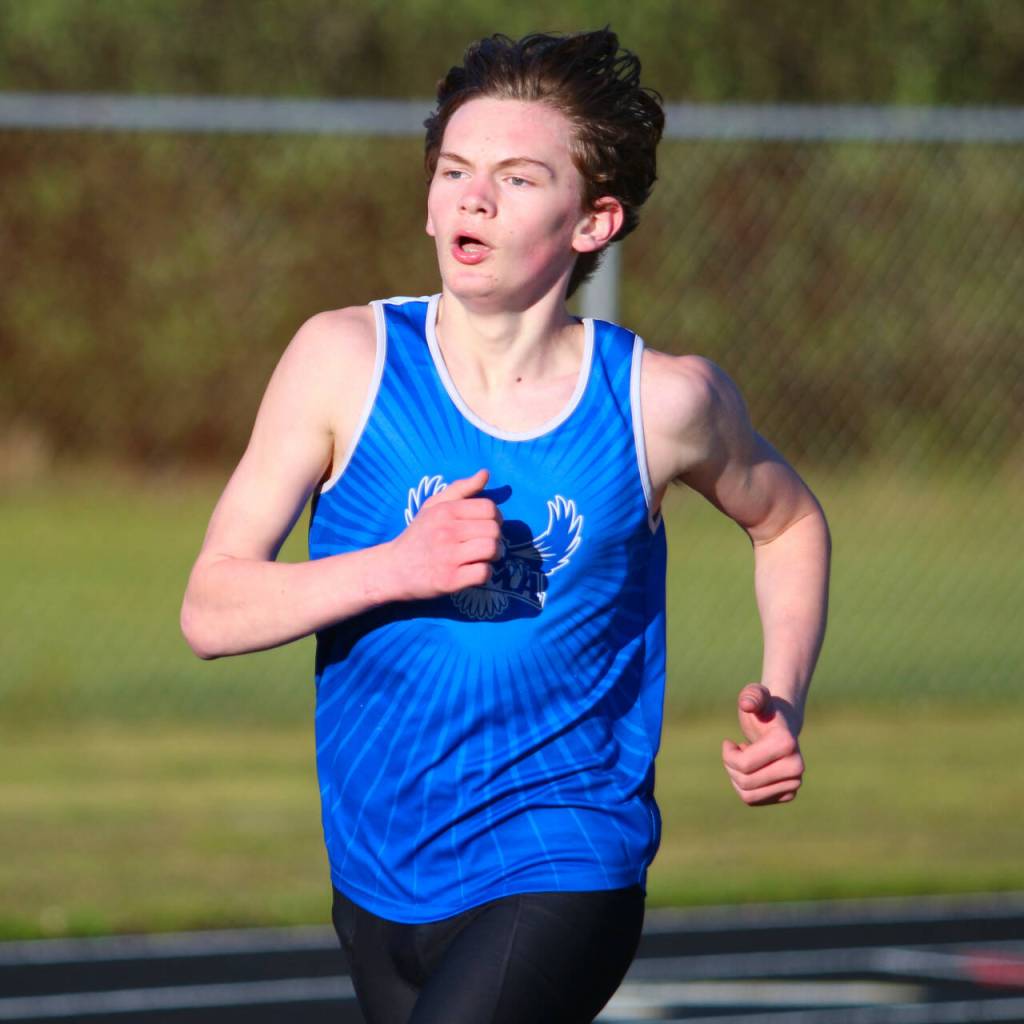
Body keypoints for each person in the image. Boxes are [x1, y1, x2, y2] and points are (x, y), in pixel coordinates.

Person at [181, 28, 830, 1024]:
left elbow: (786, 523)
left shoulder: (660, 402)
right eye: (453, 171)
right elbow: (211, 608)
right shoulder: (342, 362)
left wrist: (783, 697)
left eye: (518, 178)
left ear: (594, 220)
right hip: (381, 863)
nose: (472, 199)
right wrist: (397, 566)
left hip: (566, 848)